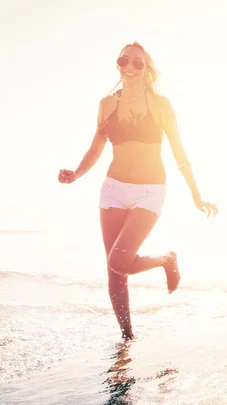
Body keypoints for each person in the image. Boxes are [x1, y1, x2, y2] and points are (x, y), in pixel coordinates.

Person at [58, 41, 218, 340]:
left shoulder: (160, 104)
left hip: (150, 190)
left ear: (147, 70)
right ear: (118, 64)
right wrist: (76, 174)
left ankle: (166, 259)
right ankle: (127, 338)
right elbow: (96, 148)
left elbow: (179, 150)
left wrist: (196, 194)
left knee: (119, 260)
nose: (129, 67)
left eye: (137, 63)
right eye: (124, 61)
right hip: (113, 190)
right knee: (114, 271)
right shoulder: (107, 104)